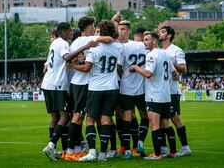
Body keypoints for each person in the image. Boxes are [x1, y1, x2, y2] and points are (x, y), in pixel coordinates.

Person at [41, 22, 97, 161]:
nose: (72, 32)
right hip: (58, 84)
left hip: (48, 83)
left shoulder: (54, 43)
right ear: (64, 31)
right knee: (65, 116)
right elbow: (67, 58)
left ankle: (55, 149)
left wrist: (74, 58)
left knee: (55, 118)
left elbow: (47, 66)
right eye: (70, 30)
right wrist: (85, 47)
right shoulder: (63, 43)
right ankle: (51, 145)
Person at [70, 20, 123, 162]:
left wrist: (73, 66)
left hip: (96, 87)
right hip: (112, 88)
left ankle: (92, 152)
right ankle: (103, 154)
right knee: (106, 120)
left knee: (90, 120)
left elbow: (87, 68)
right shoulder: (118, 47)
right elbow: (116, 40)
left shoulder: (94, 49)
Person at [130, 31, 178, 160]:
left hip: (154, 96)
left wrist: (135, 66)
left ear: (154, 41)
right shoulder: (165, 54)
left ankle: (157, 154)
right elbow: (175, 73)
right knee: (166, 124)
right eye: (144, 39)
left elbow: (148, 74)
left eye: (147, 40)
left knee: (155, 124)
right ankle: (173, 152)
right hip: (166, 95)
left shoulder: (151, 55)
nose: (144, 42)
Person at [116, 20, 149, 159]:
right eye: (119, 29)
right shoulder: (142, 45)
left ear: (129, 31)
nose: (121, 31)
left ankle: (136, 145)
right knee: (129, 119)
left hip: (135, 88)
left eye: (123, 29)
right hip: (129, 89)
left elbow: (118, 68)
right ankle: (131, 148)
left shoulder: (122, 48)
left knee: (142, 117)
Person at [158, 26, 191, 157]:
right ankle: (164, 148)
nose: (160, 33)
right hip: (161, 91)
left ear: (170, 35)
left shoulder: (176, 50)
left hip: (172, 90)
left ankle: (185, 147)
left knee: (175, 118)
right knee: (161, 119)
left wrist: (171, 63)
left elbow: (184, 68)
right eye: (160, 31)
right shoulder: (159, 51)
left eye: (163, 31)